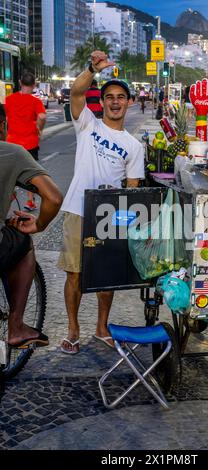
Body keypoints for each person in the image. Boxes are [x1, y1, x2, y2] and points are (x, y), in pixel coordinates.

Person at [58, 51, 145, 354]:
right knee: (75, 273)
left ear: (129, 102)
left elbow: (133, 189)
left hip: (108, 216)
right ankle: (72, 329)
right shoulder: (87, 125)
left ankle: (102, 326)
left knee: (106, 275)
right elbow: (76, 92)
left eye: (121, 97)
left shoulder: (134, 147)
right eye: (110, 97)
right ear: (103, 102)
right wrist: (93, 69)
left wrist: (128, 221)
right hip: (77, 209)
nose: (116, 101)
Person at [0, 104, 63, 348]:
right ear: (3, 126)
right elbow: (54, 197)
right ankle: (16, 327)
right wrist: (39, 224)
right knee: (23, 242)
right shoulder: (12, 153)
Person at [5, 72, 47, 212]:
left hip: (12, 143)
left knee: (10, 173)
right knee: (31, 174)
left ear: (20, 82)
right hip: (30, 143)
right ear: (34, 85)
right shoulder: (35, 102)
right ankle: (30, 201)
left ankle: (9, 196)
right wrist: (39, 130)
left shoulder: (10, 99)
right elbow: (41, 116)